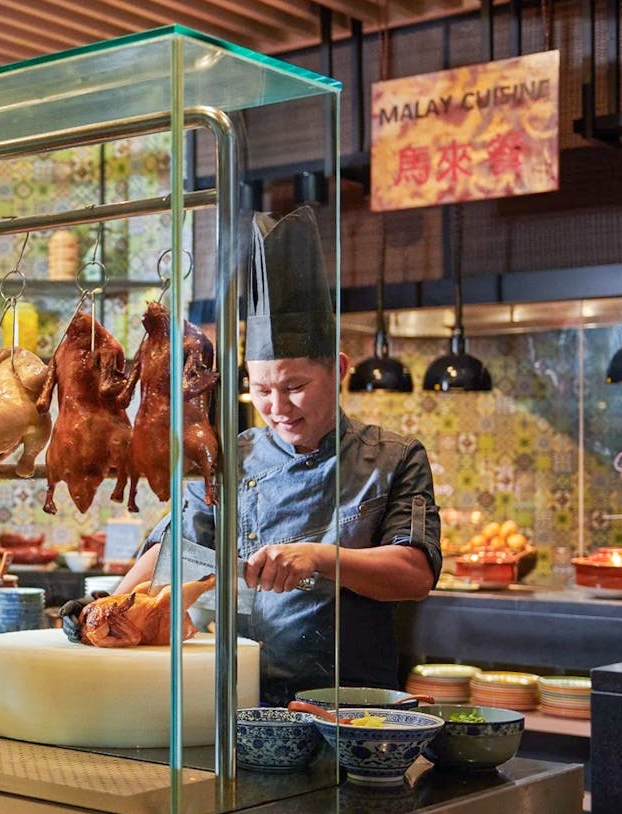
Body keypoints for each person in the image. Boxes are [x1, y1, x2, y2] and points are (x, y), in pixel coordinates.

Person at [66, 206, 442, 706]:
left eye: (295, 387)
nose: (277, 408)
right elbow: (174, 548)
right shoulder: (227, 458)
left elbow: (414, 574)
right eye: (261, 390)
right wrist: (110, 610)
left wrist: (320, 557)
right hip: (241, 701)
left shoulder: (394, 458)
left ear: (340, 370)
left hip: (351, 704)